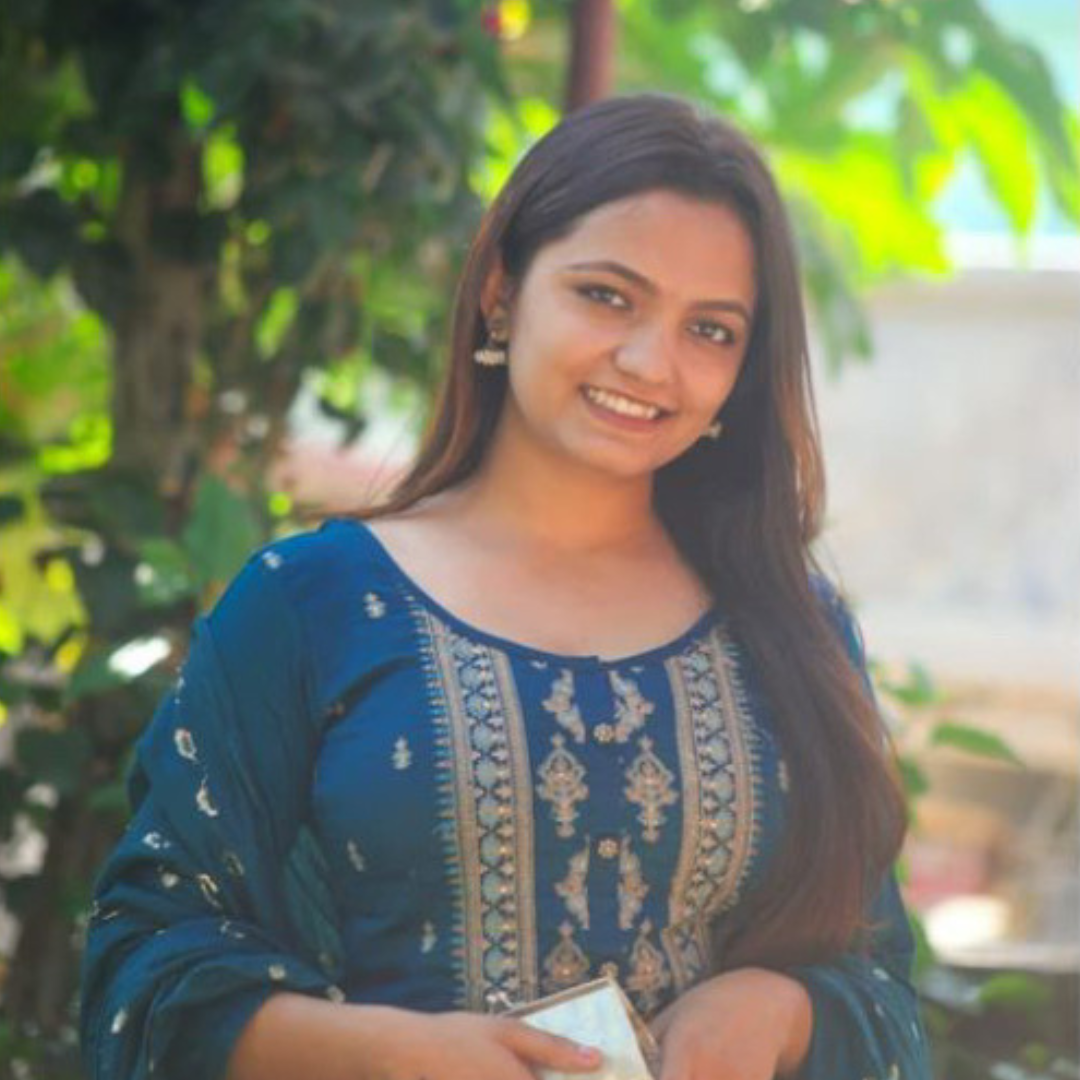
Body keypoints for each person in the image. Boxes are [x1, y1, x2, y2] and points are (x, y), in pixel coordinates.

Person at [80, 93, 932, 1080]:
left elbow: (880, 981)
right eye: (607, 296)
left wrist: (780, 1009)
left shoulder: (792, 625)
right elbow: (142, 964)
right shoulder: (310, 604)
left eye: (711, 330)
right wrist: (387, 1054)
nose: (650, 361)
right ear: (499, 291)